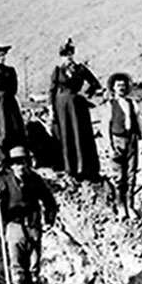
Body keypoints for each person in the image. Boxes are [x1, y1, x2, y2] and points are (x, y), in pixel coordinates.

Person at [0, 146, 57, 284]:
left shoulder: (35, 180)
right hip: (14, 229)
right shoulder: (4, 181)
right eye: (16, 163)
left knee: (34, 274)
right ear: (11, 166)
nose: (20, 166)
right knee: (17, 274)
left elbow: (49, 200)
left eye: (23, 162)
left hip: (33, 228)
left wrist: (49, 218)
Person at [49, 38, 102, 181]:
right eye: (66, 54)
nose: (69, 57)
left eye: (71, 54)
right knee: (65, 134)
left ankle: (83, 167)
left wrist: (85, 95)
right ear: (62, 56)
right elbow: (52, 90)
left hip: (77, 105)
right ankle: (69, 168)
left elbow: (95, 84)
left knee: (79, 133)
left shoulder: (80, 69)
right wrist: (51, 109)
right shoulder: (58, 70)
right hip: (61, 105)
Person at [0, 45, 27, 162]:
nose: (2, 58)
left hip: (9, 102)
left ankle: (15, 153)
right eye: (0, 56)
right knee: (0, 126)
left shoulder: (10, 70)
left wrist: (8, 96)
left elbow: (14, 87)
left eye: (3, 55)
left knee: (13, 126)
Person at [105, 72, 141, 220]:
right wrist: (110, 146)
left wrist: (140, 138)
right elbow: (105, 126)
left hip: (132, 140)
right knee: (119, 177)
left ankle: (130, 206)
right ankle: (121, 207)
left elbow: (139, 121)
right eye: (118, 85)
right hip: (117, 140)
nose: (121, 88)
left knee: (131, 175)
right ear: (113, 88)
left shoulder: (132, 104)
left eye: (123, 85)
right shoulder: (110, 105)